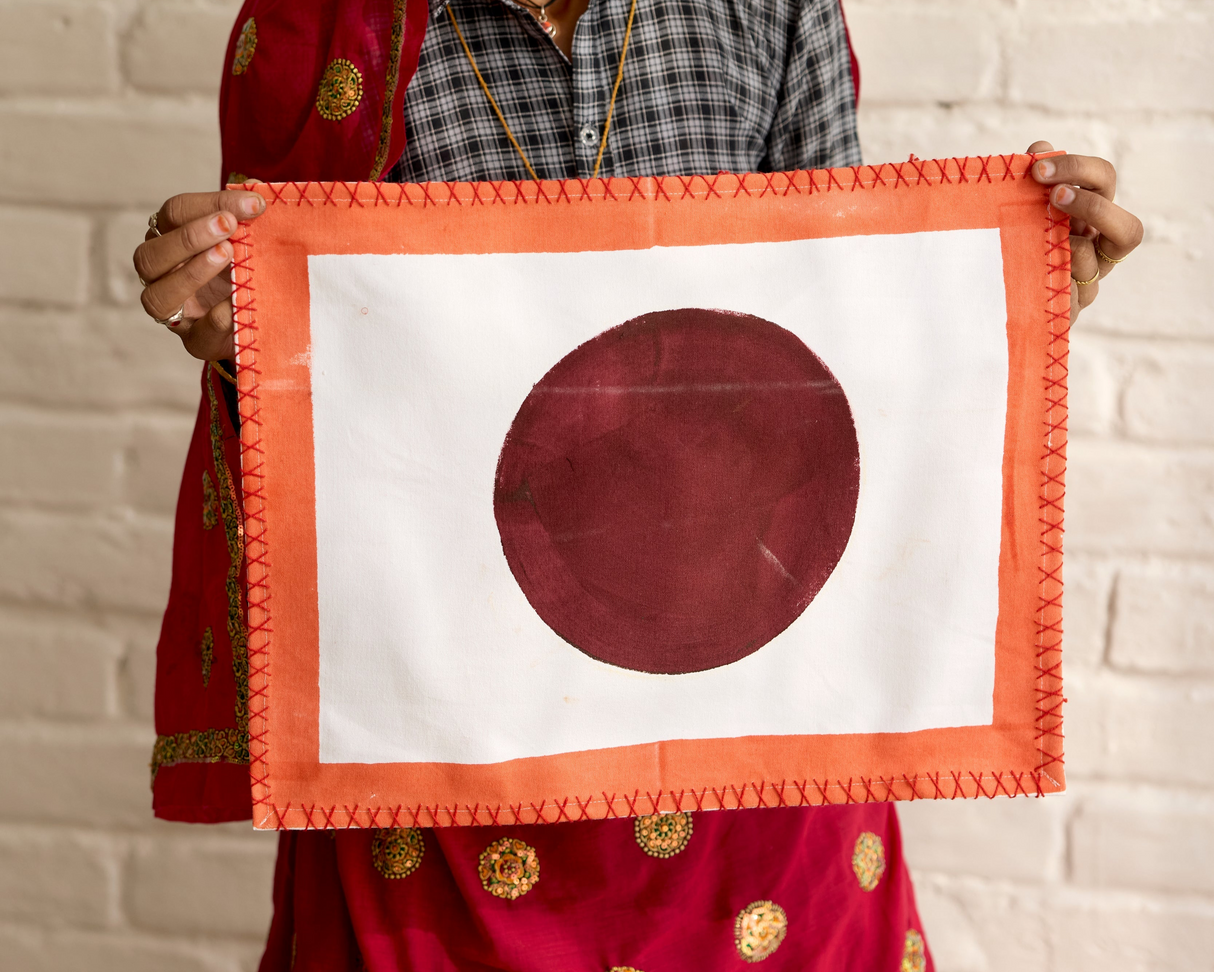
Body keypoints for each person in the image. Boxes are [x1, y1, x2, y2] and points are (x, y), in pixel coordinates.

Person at [132, 2, 1143, 969]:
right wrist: (236, 342)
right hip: (449, 740)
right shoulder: (318, 33)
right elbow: (317, 401)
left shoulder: (771, 10)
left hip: (751, 717)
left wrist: (1011, 289)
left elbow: (846, 322)